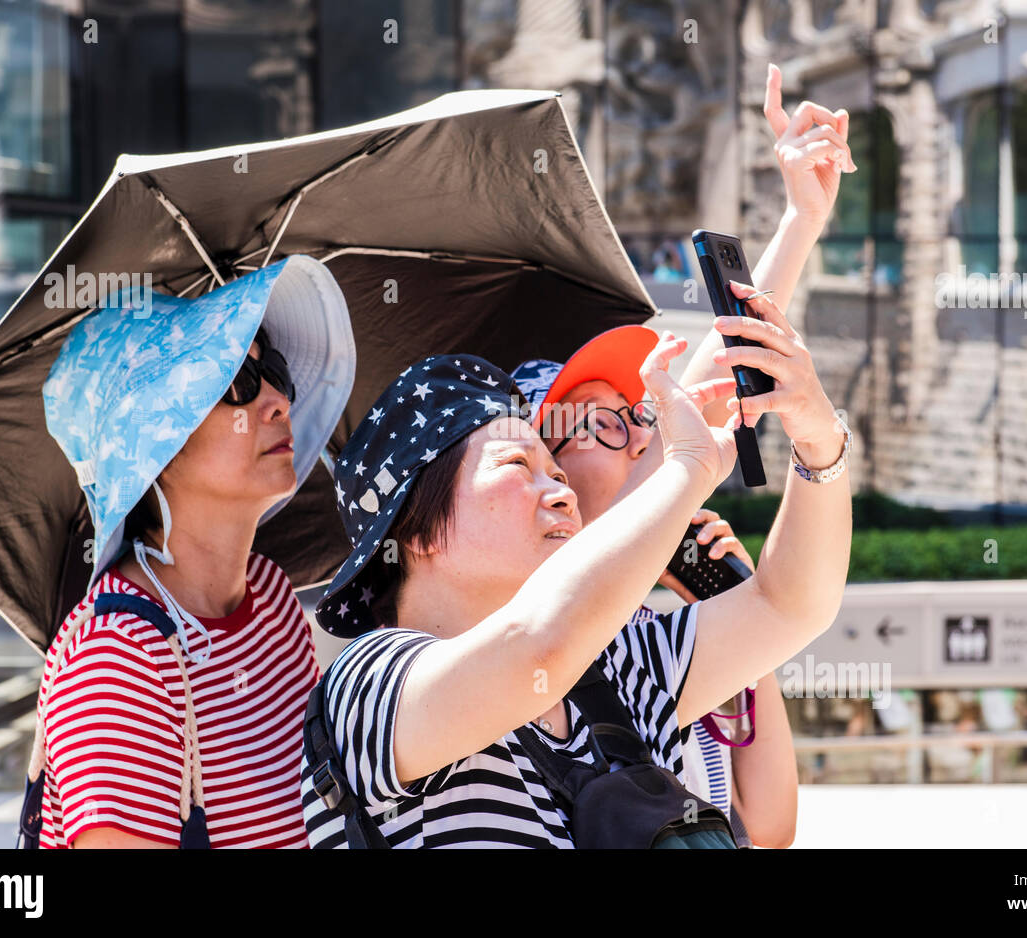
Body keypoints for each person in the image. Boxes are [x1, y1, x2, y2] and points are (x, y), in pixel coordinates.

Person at [299, 331, 850, 847]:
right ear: (415, 529)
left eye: (557, 474)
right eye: (517, 464)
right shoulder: (367, 683)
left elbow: (790, 602)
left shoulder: (611, 669)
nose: (561, 494)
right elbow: (537, 647)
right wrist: (686, 468)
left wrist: (819, 440)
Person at [502, 65, 857, 847]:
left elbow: (767, 829)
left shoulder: (655, 642)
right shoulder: (518, 645)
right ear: (538, 476)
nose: (640, 434)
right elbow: (704, 400)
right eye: (600, 425)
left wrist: (733, 611)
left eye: (639, 415)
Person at [32, 255, 355, 848]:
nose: (280, 401)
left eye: (276, 370)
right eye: (237, 382)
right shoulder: (116, 659)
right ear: (156, 445)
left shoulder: (271, 596)